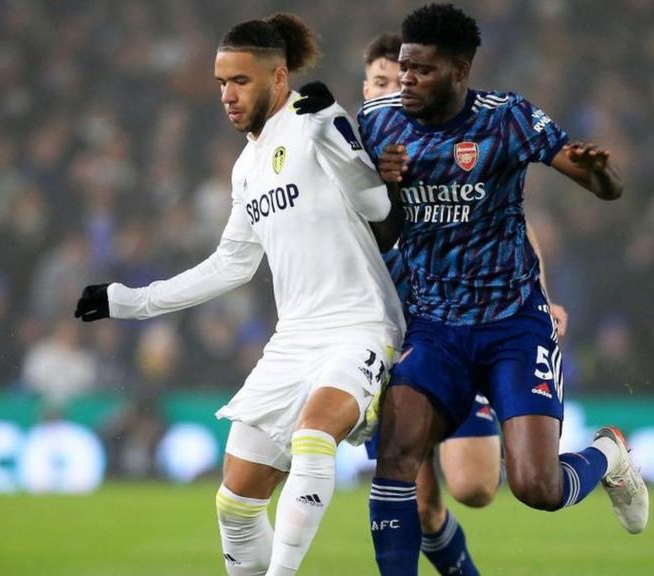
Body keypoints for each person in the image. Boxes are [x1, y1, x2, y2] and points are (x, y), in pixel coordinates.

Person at [73, 13, 405, 576]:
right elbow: (231, 265)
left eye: (240, 82)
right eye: (221, 83)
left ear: (278, 78)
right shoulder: (247, 166)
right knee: (235, 503)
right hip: (294, 337)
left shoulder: (314, 119)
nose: (227, 95)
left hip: (359, 325)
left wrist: (334, 129)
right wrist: (129, 301)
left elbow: (381, 211)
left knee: (313, 435)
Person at [355, 5, 647, 574]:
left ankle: (609, 452)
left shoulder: (507, 118)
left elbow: (603, 186)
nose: (408, 80)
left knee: (536, 486)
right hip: (434, 326)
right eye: (404, 68)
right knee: (396, 460)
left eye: (423, 70)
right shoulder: (380, 123)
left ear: (461, 71)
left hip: (512, 323)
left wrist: (601, 171)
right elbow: (385, 231)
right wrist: (386, 188)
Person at [361, 31, 571, 575]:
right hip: (389, 338)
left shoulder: (451, 140)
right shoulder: (361, 148)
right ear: (366, 89)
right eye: (382, 82)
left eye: (402, 78)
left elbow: (511, 227)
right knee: (418, 499)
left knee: (476, 487)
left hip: (462, 322)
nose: (395, 90)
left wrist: (544, 297)